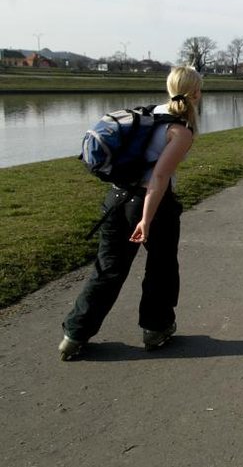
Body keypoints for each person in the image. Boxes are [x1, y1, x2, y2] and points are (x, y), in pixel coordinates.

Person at [59, 66, 203, 360]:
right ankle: (156, 328)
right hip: (153, 204)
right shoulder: (180, 130)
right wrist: (146, 221)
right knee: (161, 267)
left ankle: (74, 334)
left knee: (108, 269)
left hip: (117, 198)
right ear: (197, 93)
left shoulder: (148, 114)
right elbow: (159, 179)